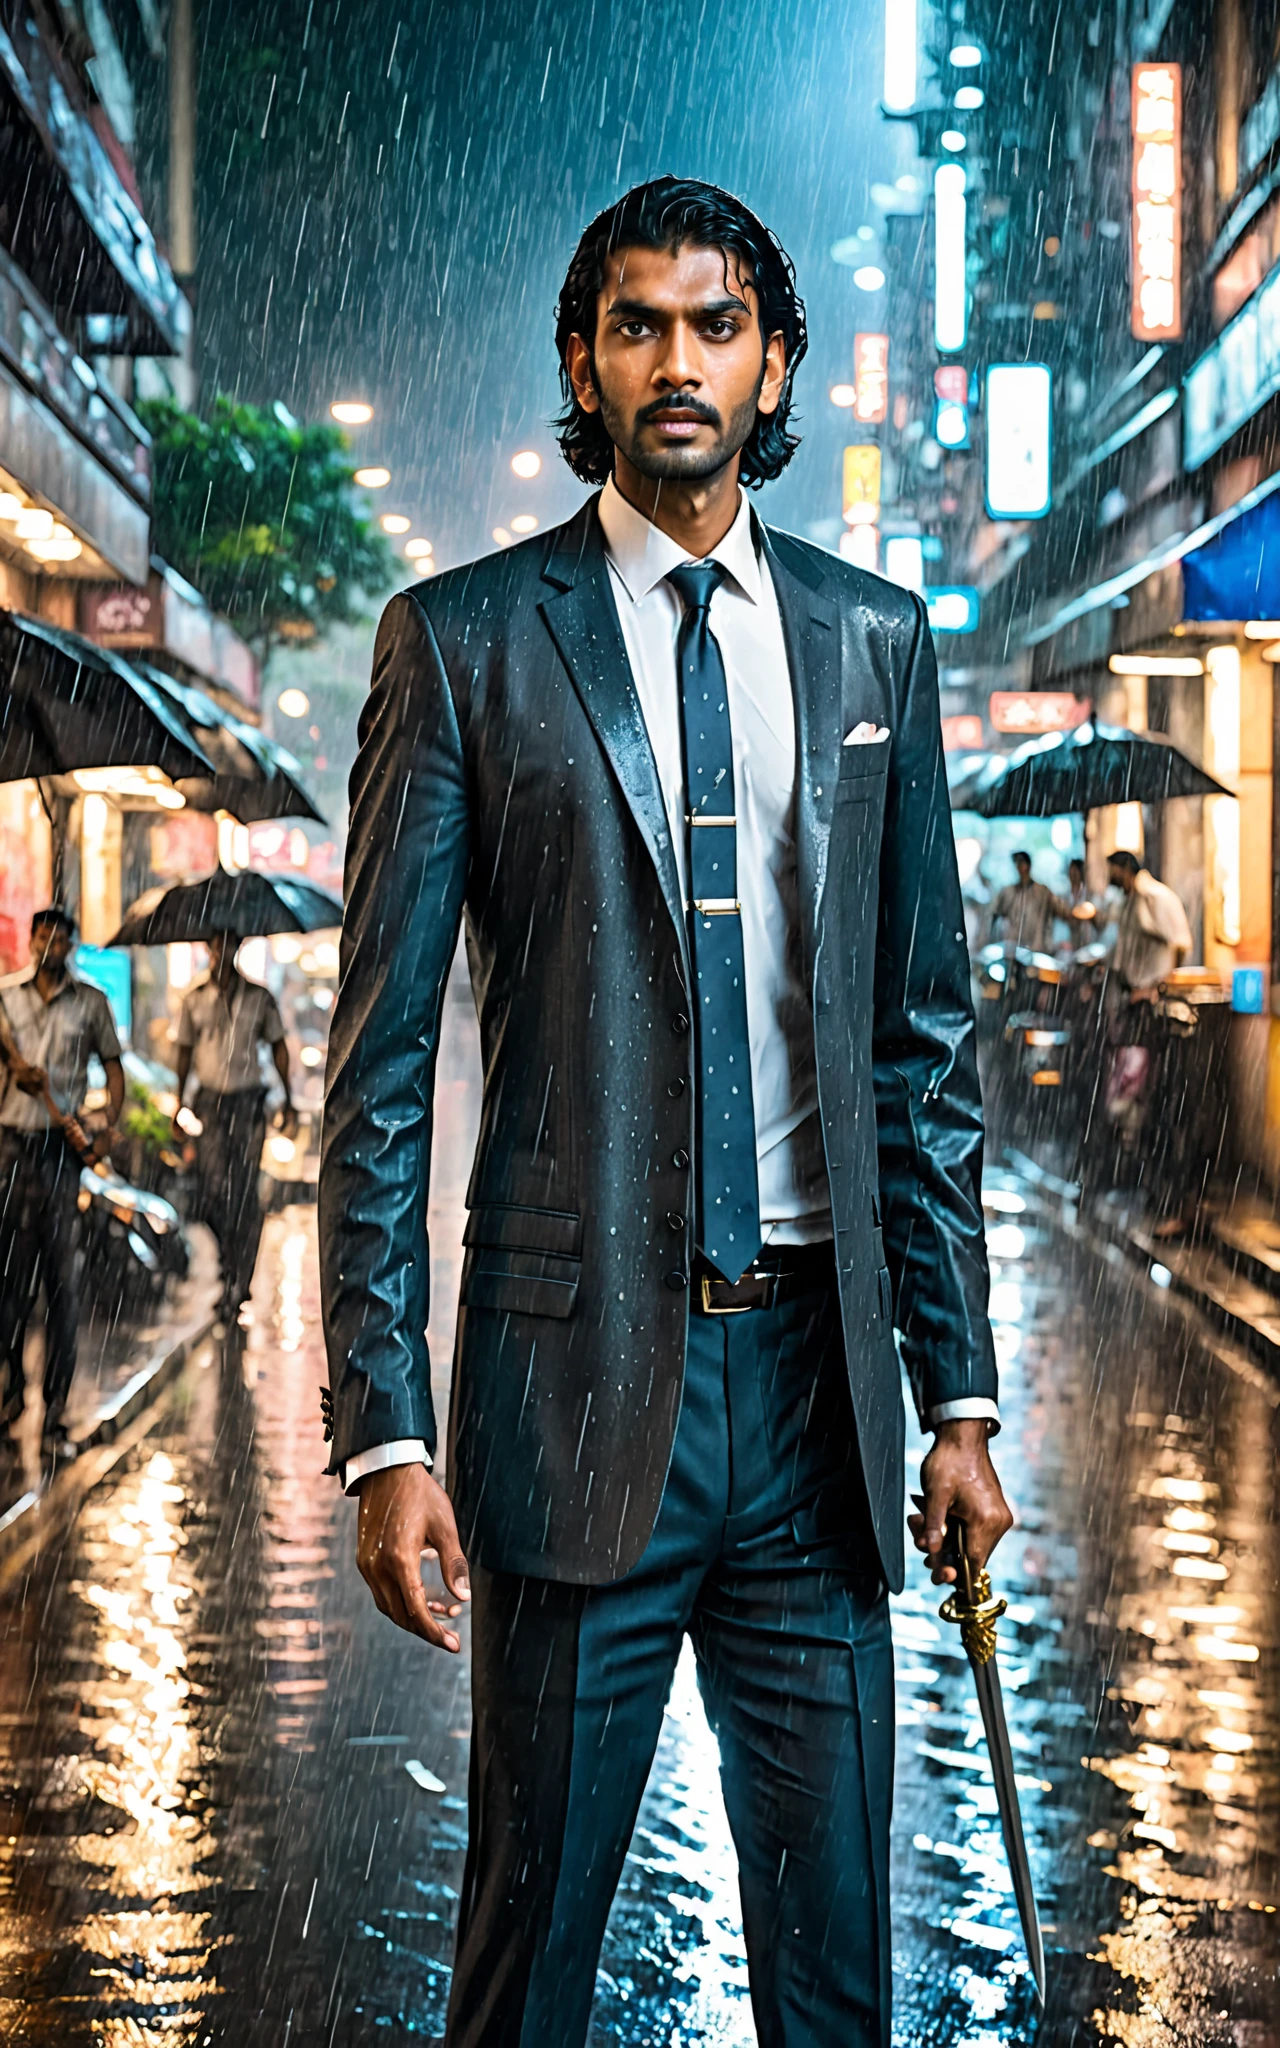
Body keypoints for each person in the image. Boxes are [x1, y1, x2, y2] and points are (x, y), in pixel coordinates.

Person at [321, 176, 1011, 2048]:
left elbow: (919, 1042)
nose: (679, 362)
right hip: (570, 1406)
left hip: (817, 1415)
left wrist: (954, 1396)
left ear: (774, 357)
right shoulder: (463, 639)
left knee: (837, 1981)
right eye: (639, 325)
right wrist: (385, 1430)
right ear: (585, 360)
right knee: (526, 1978)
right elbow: (380, 1066)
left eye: (716, 325)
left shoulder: (877, 643)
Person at [0, 907, 123, 1460]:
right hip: (9, 1150)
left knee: (61, 1286)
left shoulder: (91, 1003)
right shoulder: (5, 999)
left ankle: (54, 1412)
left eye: (59, 940)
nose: (49, 946)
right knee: (8, 1284)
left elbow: (114, 1068)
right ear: (30, 941)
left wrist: (106, 1128)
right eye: (42, 937)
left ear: (70, 946)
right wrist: (14, 1074)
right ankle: (8, 1400)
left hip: (58, 1152)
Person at [172, 930, 296, 1323]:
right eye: (215, 943)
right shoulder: (193, 1000)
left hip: (247, 1103)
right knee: (212, 1194)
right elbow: (184, 1052)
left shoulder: (259, 998)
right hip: (210, 1104)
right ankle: (229, 1264)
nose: (221, 950)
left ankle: (239, 1279)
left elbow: (278, 1046)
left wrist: (289, 1099)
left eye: (228, 943)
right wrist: (179, 1102)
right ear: (207, 947)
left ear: (238, 947)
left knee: (243, 1193)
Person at [1106, 849, 1193, 995]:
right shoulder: (1129, 901)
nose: (1112, 879)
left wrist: (1156, 989)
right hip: (1134, 994)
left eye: (1115, 874)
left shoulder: (1155, 897)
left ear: (1126, 869)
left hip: (1154, 996)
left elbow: (1180, 946)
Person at [987, 847, 1072, 954]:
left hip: (1037, 950)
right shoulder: (1008, 892)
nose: (1019, 867)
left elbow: (1062, 911)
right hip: (1012, 950)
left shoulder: (1042, 892)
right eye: (1017, 863)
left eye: (1021, 862)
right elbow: (994, 914)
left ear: (1028, 865)